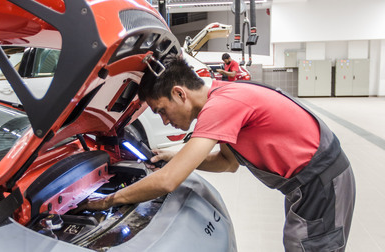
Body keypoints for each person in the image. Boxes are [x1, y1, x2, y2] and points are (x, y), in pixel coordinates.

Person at [77, 54, 356, 251]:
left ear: (179, 93)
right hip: (311, 182)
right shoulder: (223, 94)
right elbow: (227, 163)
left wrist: (107, 201)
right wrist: (176, 157)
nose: (163, 120)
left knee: (308, 246)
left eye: (162, 110)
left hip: (320, 182)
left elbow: (167, 182)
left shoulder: (220, 107)